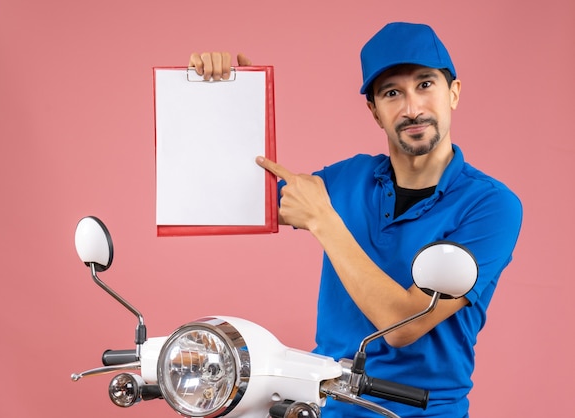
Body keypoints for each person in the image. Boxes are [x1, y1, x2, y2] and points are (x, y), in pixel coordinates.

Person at [189, 22, 522, 417]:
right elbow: (233, 199)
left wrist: (323, 221)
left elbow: (401, 326)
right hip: (325, 405)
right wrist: (228, 102)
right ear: (375, 112)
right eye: (392, 93)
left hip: (421, 411)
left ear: (454, 93)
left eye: (425, 85)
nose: (412, 108)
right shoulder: (348, 179)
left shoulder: (491, 205)